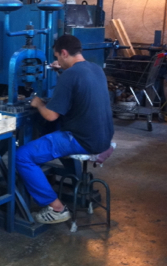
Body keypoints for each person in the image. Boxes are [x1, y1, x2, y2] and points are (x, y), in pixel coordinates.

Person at [16, 34, 114, 225]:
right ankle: (44, 179)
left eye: (57, 57)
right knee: (50, 131)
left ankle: (56, 209)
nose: (57, 61)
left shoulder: (70, 75)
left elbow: (51, 115)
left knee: (22, 156)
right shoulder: (95, 68)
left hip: (84, 140)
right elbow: (78, 89)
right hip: (104, 137)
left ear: (64, 53)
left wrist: (37, 103)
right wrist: (62, 71)